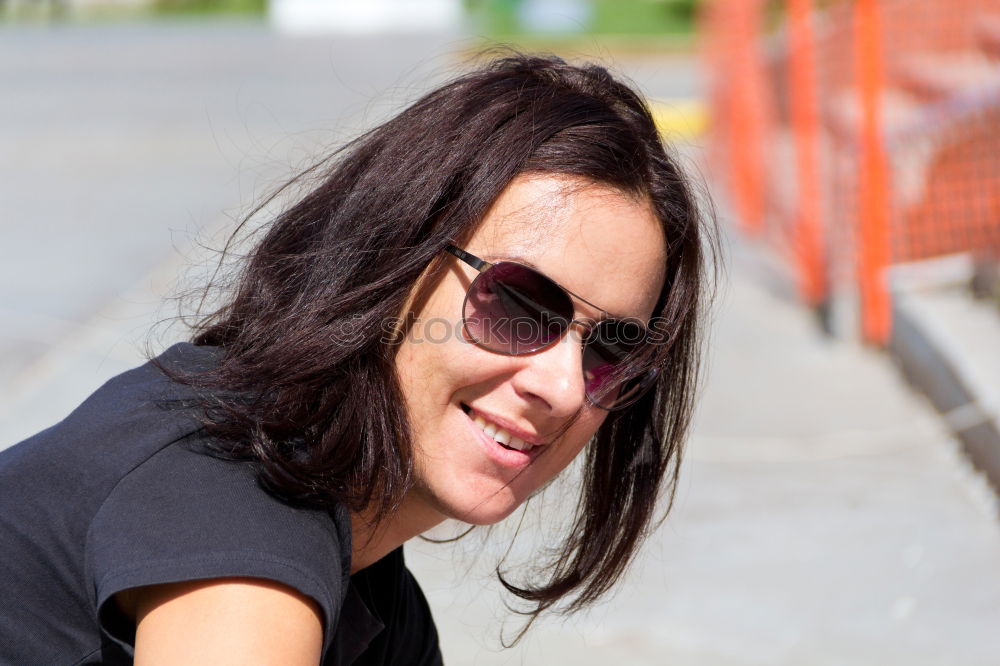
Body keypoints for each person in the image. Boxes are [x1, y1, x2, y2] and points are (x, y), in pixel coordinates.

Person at [0, 53, 715, 665]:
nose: (562, 387)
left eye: (614, 347)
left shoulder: (376, 602)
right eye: (522, 304)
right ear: (390, 260)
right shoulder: (228, 507)